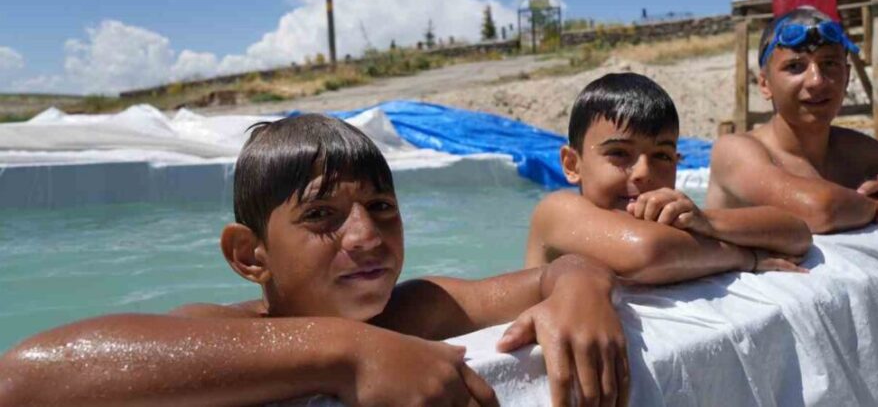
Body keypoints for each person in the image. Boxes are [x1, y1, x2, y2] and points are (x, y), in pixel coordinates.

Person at [0, 115, 629, 407]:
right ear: (251, 257)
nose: (366, 234)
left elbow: (558, 270)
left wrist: (580, 287)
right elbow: (23, 380)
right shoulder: (225, 330)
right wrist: (347, 351)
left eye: (381, 206)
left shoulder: (415, 308)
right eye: (321, 216)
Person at [706, 8, 878, 239]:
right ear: (765, 84)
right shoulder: (736, 150)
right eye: (795, 67)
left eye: (830, 63)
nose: (816, 80)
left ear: (846, 77)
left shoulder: (850, 148)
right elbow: (820, 208)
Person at [526, 72, 813, 285]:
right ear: (572, 164)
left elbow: (797, 233)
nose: (643, 172)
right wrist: (744, 257)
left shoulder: (676, 221)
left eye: (661, 156)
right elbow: (649, 252)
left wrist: (709, 222)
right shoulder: (557, 212)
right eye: (619, 153)